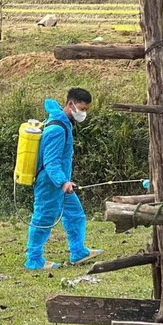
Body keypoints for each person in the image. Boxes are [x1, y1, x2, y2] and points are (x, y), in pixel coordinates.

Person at [24, 88, 103, 270]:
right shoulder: (57, 129)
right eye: (82, 108)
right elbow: (51, 162)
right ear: (70, 104)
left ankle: (78, 252)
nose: (83, 113)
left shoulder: (64, 123)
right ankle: (34, 260)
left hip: (61, 182)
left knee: (75, 214)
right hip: (51, 183)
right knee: (43, 218)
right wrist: (63, 182)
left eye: (86, 110)